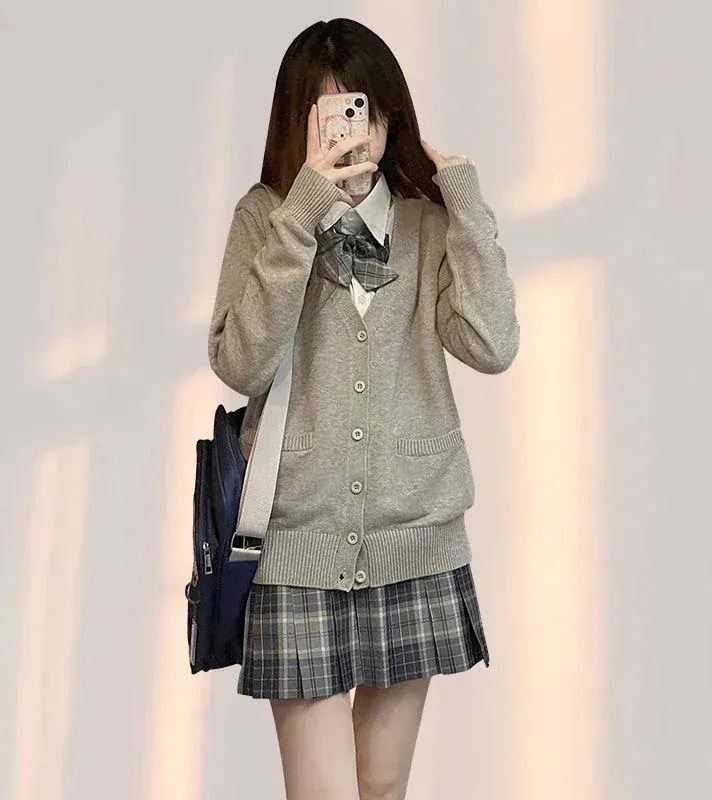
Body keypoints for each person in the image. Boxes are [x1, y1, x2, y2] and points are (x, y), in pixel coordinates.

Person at [208, 17, 520, 800]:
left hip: (415, 541)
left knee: (381, 791)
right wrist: (302, 212)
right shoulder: (266, 218)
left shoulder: (426, 223)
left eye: (364, 111)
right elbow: (241, 363)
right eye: (330, 116)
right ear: (297, 124)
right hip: (299, 545)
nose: (353, 132)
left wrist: (467, 205)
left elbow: (491, 344)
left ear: (389, 116)